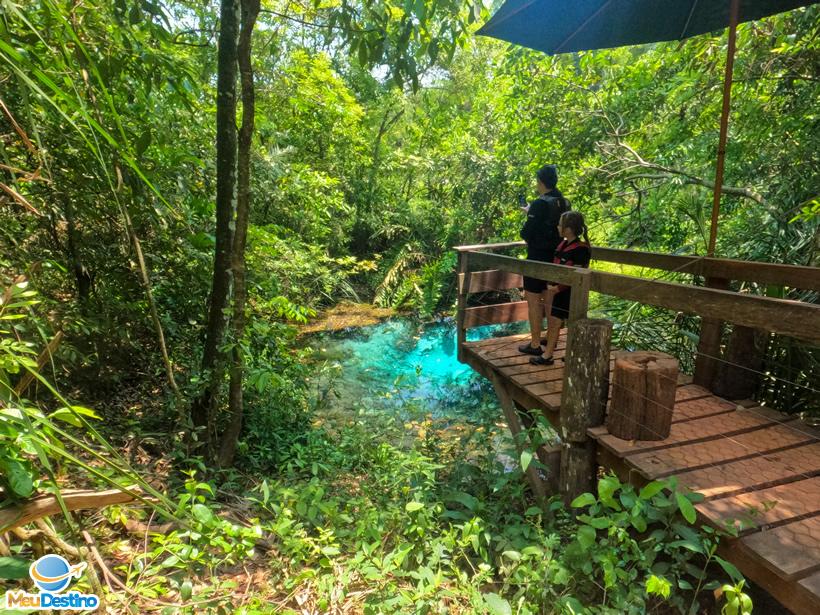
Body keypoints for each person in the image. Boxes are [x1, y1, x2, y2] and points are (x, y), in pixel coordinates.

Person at [517, 164, 569, 356]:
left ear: (541, 182)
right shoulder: (563, 202)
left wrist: (531, 213)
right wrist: (531, 211)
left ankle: (535, 344)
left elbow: (526, 232)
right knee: (550, 301)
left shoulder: (540, 203)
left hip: (537, 258)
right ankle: (551, 341)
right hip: (556, 258)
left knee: (533, 302)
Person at [530, 210, 591, 365]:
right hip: (559, 291)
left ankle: (565, 354)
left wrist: (558, 288)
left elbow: (576, 274)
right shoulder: (563, 244)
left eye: (560, 224)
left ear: (568, 229)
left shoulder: (581, 249)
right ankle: (548, 355)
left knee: (573, 323)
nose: (557, 227)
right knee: (556, 322)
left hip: (571, 292)